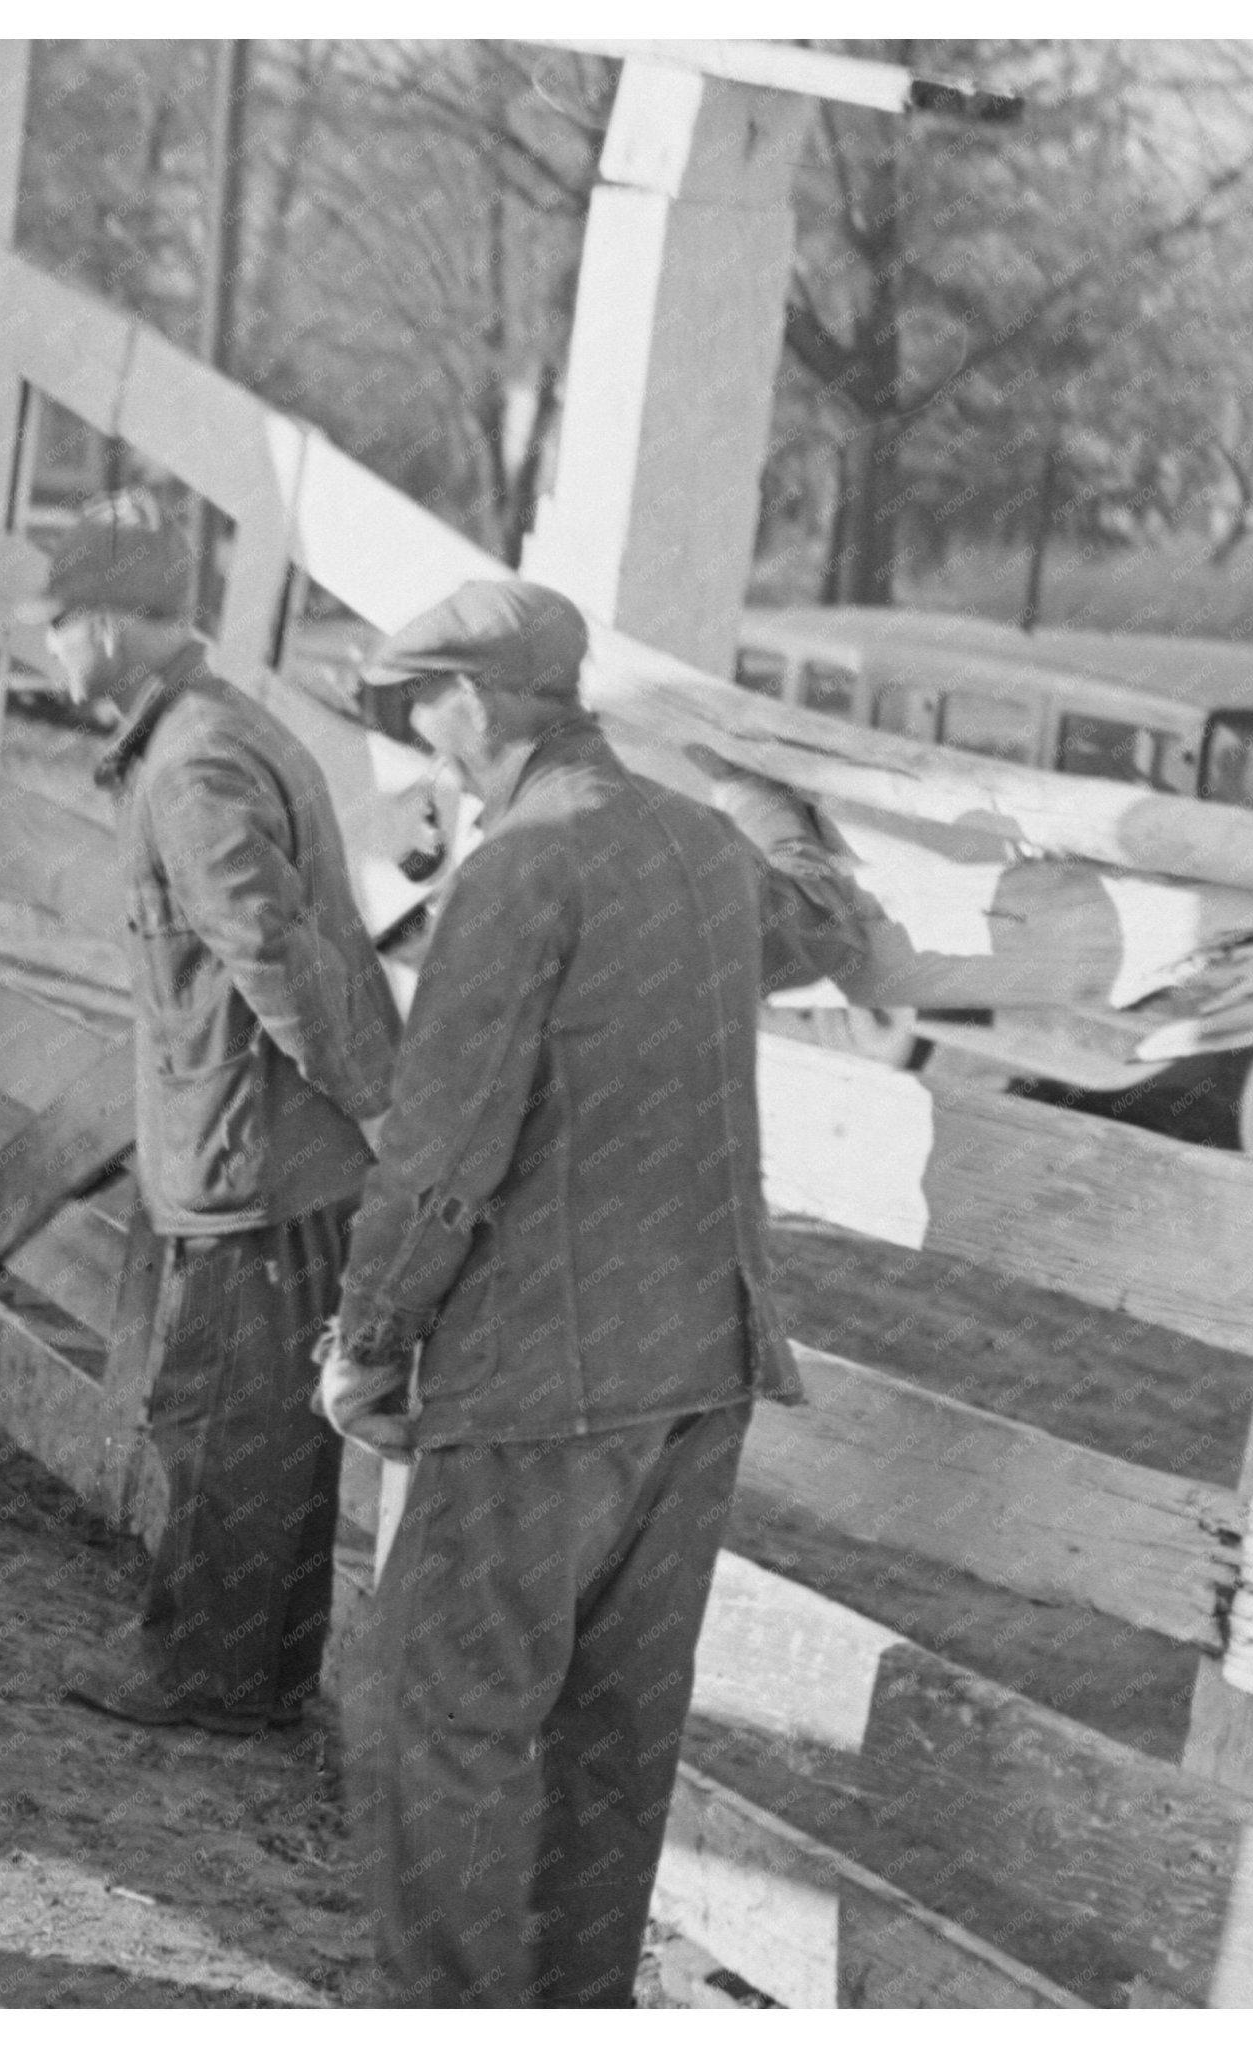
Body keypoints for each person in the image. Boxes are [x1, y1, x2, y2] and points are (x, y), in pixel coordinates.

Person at [316, 580, 868, 2006]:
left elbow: (439, 1162)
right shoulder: (698, 844)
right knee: (616, 1738)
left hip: (539, 1385)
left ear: (479, 707)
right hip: (702, 1370)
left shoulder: (522, 874)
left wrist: (368, 1345)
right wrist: (768, 785)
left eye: (420, 705)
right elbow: (826, 921)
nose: (417, 738)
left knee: (449, 1720)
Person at [21, 492, 400, 1736]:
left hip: (253, 1154)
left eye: (62, 620)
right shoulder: (217, 730)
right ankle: (261, 1672)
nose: (49, 646)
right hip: (279, 1146)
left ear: (121, 628)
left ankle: (194, 1666)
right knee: (275, 1430)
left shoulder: (189, 762)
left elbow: (274, 957)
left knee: (219, 1420)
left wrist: (372, 1112)